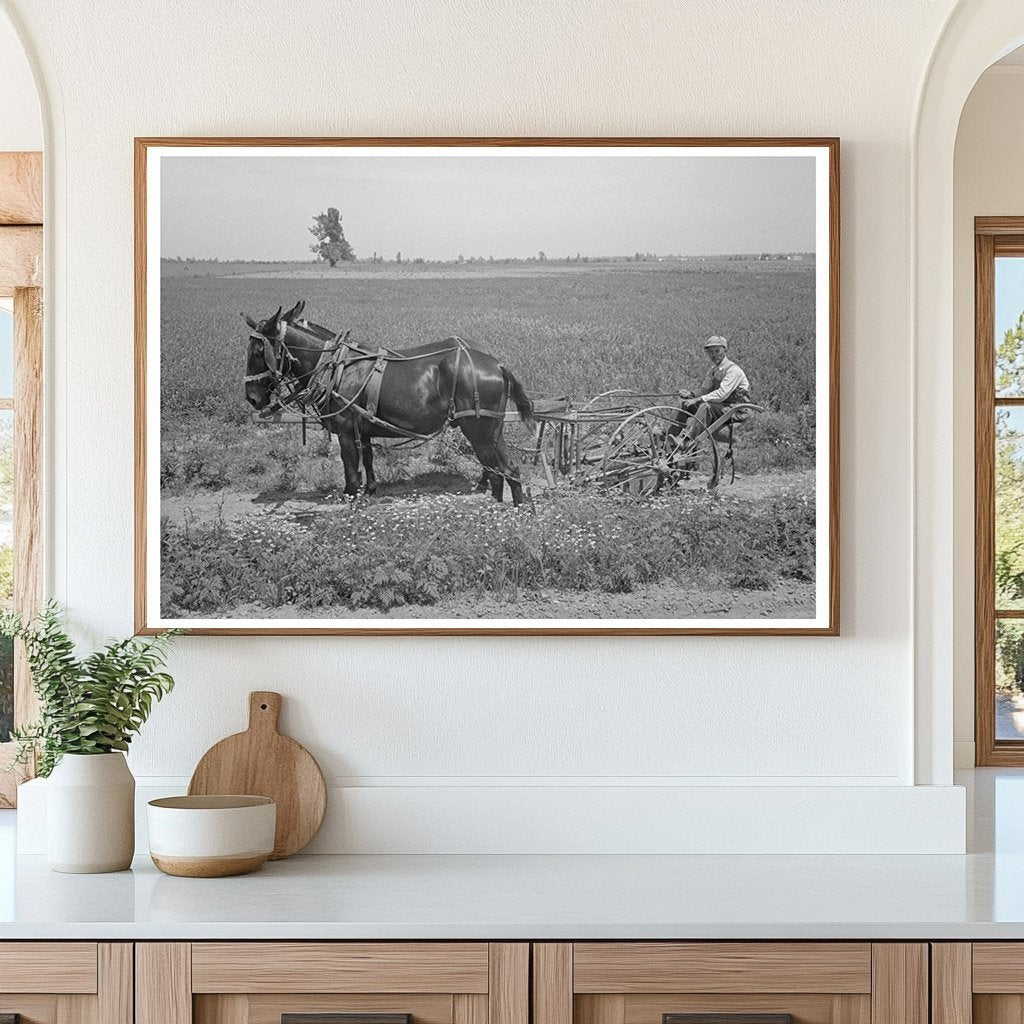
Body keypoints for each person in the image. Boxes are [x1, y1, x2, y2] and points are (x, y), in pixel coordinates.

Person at [677, 335, 751, 444]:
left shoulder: (733, 370)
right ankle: (668, 436)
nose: (714, 355)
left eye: (717, 351)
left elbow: (722, 394)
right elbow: (705, 390)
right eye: (710, 352)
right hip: (721, 406)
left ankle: (686, 440)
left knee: (706, 407)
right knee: (684, 404)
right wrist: (691, 394)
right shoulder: (713, 370)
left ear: (725, 350)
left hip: (736, 409)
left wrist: (697, 400)